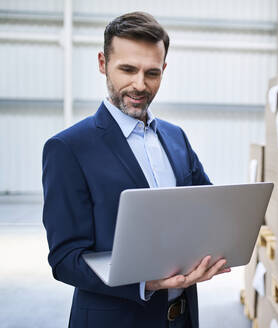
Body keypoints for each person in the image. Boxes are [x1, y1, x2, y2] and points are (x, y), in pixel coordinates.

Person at [42, 11, 229, 328]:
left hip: (181, 318)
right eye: (127, 69)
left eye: (152, 73)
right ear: (103, 64)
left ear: (164, 70)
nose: (139, 85)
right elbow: (65, 260)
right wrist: (148, 283)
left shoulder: (176, 137)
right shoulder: (69, 148)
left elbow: (208, 212)